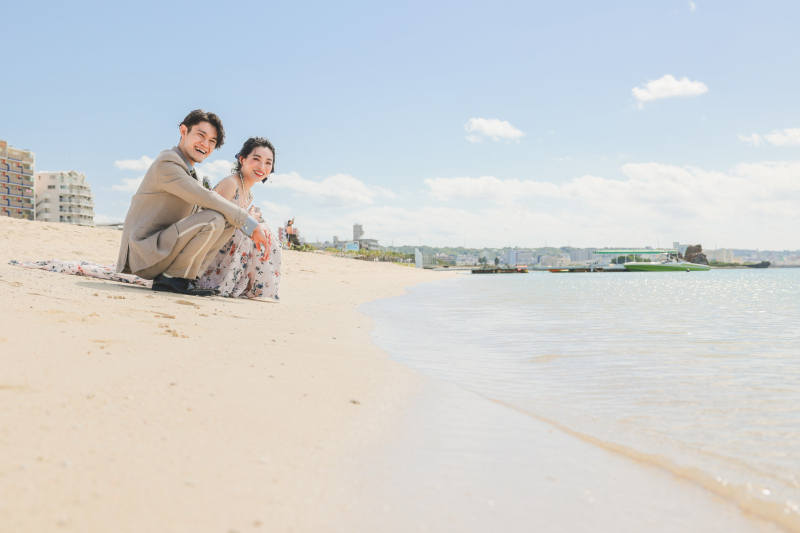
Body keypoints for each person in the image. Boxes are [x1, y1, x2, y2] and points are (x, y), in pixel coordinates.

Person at [116, 110, 271, 296]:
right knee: (214, 218)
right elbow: (207, 198)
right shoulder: (167, 162)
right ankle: (173, 278)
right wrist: (250, 224)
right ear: (183, 131)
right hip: (145, 253)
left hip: (164, 249)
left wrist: (246, 221)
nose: (205, 144)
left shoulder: (193, 174)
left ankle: (189, 278)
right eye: (201, 135)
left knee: (225, 219)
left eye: (212, 141)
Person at [197, 137, 281, 301]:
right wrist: (251, 221)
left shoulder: (249, 194)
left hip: (224, 247)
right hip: (209, 250)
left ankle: (250, 286)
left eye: (268, 163)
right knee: (254, 229)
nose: (261, 167)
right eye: (256, 159)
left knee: (263, 230)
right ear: (242, 159)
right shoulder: (231, 183)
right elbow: (210, 220)